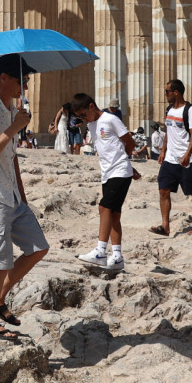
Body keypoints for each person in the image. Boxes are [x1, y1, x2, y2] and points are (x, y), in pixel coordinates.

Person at [0, 54, 48, 343]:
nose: (24, 85)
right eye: (21, 79)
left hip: (11, 195)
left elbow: (11, 157)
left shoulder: (11, 108)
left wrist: (23, 197)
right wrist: (15, 127)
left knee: (38, 247)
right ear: (2, 78)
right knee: (0, 263)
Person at [73, 93, 141, 270]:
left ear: (91, 106)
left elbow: (130, 143)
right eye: (79, 117)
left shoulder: (111, 119)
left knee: (104, 208)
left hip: (119, 170)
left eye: (83, 114)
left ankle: (100, 251)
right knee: (114, 214)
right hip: (107, 173)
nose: (82, 119)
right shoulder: (92, 124)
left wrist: (125, 163)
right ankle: (117, 256)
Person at [152, 79, 192, 236]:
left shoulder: (190, 111)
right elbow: (169, 131)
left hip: (186, 161)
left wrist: (188, 154)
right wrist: (163, 151)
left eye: (167, 91)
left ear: (176, 93)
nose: (165, 94)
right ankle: (165, 226)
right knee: (163, 190)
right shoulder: (169, 110)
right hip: (170, 159)